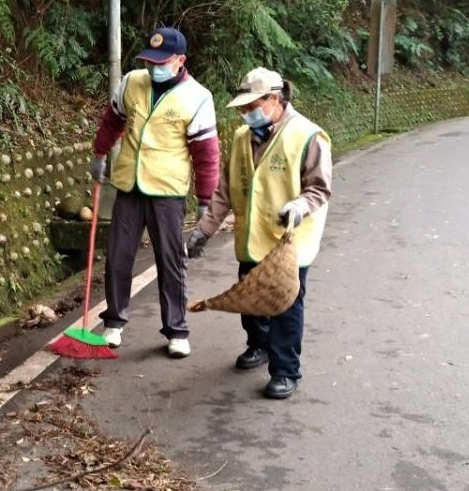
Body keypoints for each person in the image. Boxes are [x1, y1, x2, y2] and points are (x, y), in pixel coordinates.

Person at [187, 67, 332, 399]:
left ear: (275, 99)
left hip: (288, 244)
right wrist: (205, 230)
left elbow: (319, 189)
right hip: (252, 239)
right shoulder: (242, 137)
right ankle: (259, 345)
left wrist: (298, 206)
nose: (246, 113)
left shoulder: (308, 136)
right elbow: (225, 190)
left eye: (252, 106)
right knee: (251, 299)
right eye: (243, 107)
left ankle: (285, 370)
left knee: (284, 305)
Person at [90, 26, 220, 358]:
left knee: (171, 260)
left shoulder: (198, 97)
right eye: (150, 61)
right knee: (118, 257)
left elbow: (206, 155)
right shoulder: (132, 82)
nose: (154, 68)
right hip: (129, 186)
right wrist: (100, 154)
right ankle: (114, 323)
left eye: (162, 62)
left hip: (167, 191)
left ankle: (176, 330)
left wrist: (206, 201)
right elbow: (112, 121)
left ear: (180, 61)